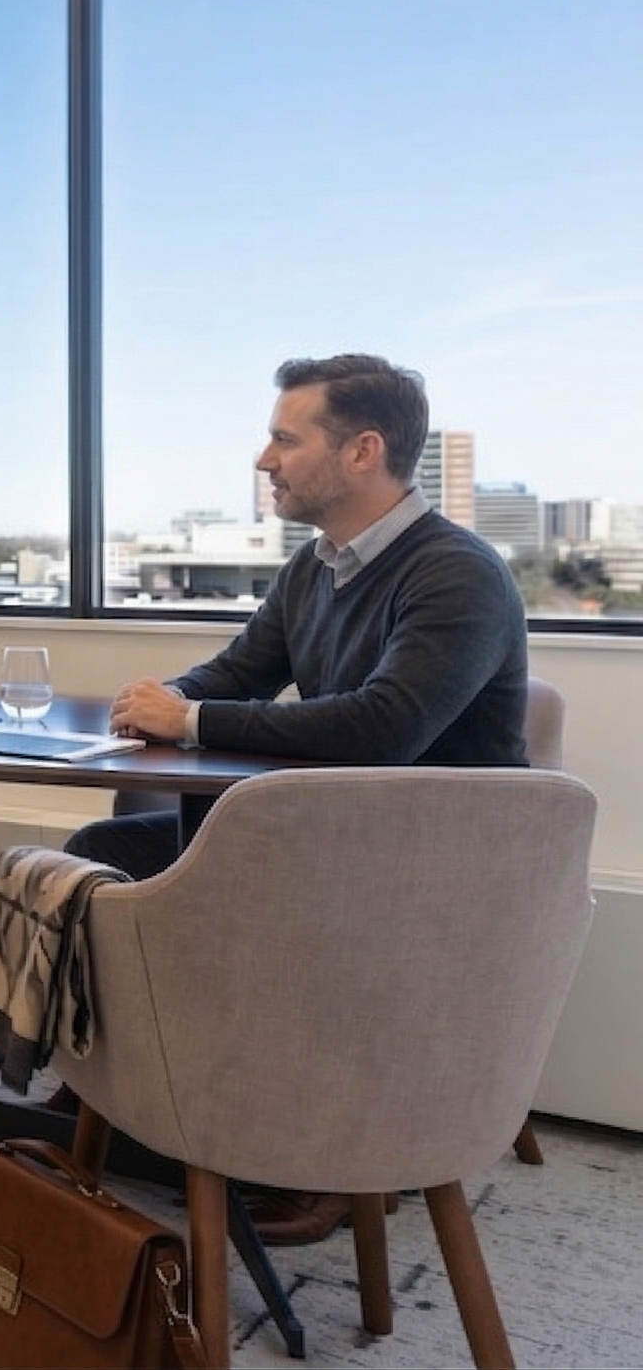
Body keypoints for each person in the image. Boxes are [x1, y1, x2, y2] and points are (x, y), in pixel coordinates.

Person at [66, 353, 527, 1243]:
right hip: (325, 839)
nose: (262, 460)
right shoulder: (315, 569)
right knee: (108, 846)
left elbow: (385, 727)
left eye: (284, 438)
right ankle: (127, 1086)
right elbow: (241, 671)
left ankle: (323, 1152)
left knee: (162, 861)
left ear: (362, 451)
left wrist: (191, 718)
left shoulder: (457, 572)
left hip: (416, 872)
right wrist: (157, 707)